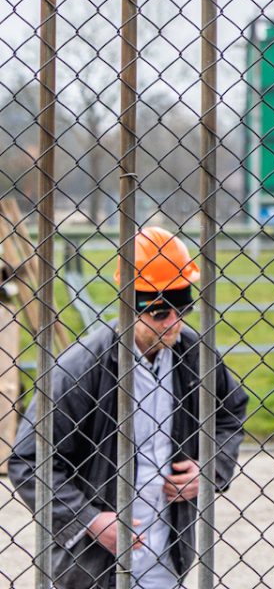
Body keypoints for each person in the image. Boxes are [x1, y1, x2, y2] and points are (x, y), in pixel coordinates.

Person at [7, 227, 248, 589]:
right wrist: (87, 519)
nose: (174, 324)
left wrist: (211, 466)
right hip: (93, 565)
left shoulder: (195, 355)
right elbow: (27, 461)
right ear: (127, 305)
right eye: (159, 313)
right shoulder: (80, 369)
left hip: (169, 554)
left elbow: (231, 411)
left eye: (182, 310)